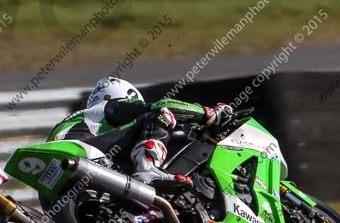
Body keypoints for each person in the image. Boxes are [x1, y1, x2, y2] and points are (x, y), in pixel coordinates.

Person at [47, 76, 234, 188]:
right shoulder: (109, 106)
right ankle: (147, 169)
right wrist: (207, 114)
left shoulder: (86, 120)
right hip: (79, 155)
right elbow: (163, 106)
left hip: (56, 176)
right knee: (161, 115)